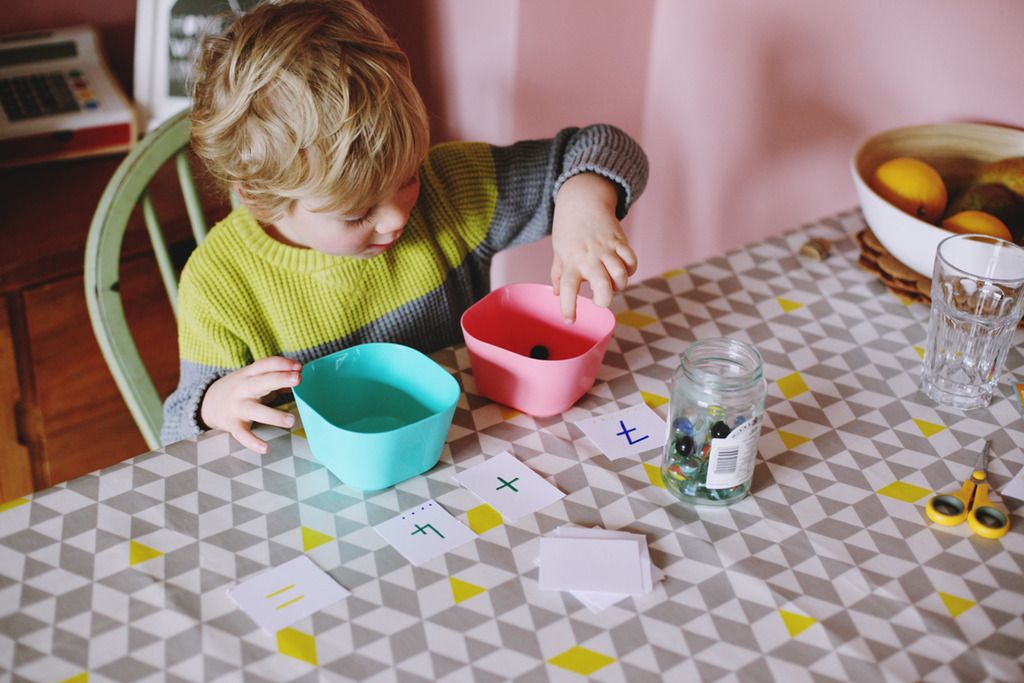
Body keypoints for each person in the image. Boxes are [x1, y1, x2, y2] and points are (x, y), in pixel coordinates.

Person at [161, 0, 649, 452]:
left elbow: (603, 145)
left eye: (407, 177)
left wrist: (584, 201)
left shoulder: (449, 190)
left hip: (471, 446)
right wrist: (216, 404)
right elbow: (179, 430)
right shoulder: (219, 283)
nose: (396, 217)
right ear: (262, 201)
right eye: (357, 213)